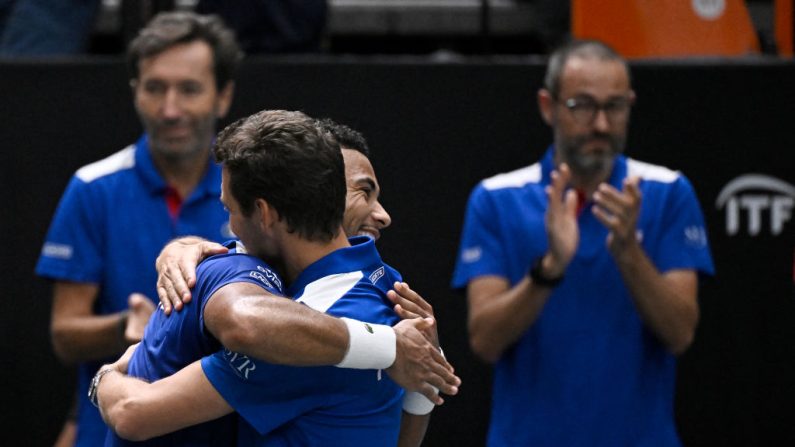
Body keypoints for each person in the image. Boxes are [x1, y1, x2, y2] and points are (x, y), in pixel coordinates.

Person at [95, 110, 455, 445]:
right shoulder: (389, 285)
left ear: (264, 213)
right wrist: (181, 247)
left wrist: (107, 377)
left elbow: (132, 413)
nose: (231, 226)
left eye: (228, 209)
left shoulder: (294, 342)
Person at [452, 39, 715, 446]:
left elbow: (680, 333)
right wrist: (550, 269)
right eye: (583, 106)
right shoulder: (496, 198)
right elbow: (484, 340)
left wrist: (629, 253)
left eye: (615, 107)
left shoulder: (667, 190)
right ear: (547, 106)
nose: (601, 125)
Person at [34, 11, 242, 446]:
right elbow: (64, 334)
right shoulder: (93, 188)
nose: (170, 109)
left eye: (188, 89)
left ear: (223, 97)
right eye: (154, 88)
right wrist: (128, 325)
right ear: (135, 93)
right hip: (110, 428)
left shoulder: (254, 190)